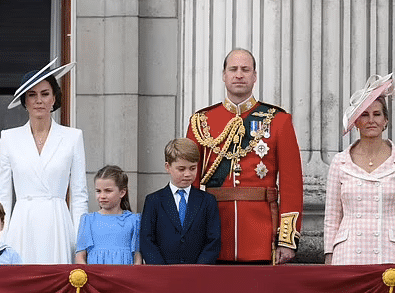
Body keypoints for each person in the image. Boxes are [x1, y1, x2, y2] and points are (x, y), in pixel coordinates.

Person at [186, 48, 303, 264]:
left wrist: (286, 239)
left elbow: (291, 183)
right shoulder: (201, 122)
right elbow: (189, 182)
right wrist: (192, 232)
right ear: (224, 75)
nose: (239, 74)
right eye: (233, 69)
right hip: (215, 231)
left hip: (262, 234)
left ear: (254, 76)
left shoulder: (278, 120)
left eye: (245, 69)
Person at [0, 58, 88, 264]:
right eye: (32, 95)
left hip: (58, 222)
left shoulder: (73, 137)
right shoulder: (9, 138)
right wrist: (1, 239)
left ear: (54, 98)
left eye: (45, 94)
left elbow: (80, 195)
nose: (39, 100)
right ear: (24, 101)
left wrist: (79, 243)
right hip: (22, 222)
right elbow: (2, 194)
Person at [324, 73, 395, 265]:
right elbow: (332, 217)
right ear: (355, 122)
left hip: (389, 251)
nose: (371, 120)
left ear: (386, 121)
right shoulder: (340, 162)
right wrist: (328, 257)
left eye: (377, 114)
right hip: (348, 254)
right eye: (364, 114)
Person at [140, 139, 221, 265]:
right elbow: (147, 239)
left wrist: (199, 268)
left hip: (198, 274)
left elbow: (213, 239)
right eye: (181, 169)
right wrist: (161, 269)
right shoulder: (153, 201)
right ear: (168, 167)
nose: (187, 174)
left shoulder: (207, 201)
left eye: (192, 168)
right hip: (163, 273)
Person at [74, 165, 141, 265]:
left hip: (124, 277)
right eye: (98, 191)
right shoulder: (88, 220)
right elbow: (80, 256)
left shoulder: (134, 220)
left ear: (122, 192)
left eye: (108, 191)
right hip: (95, 278)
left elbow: (137, 256)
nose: (102, 196)